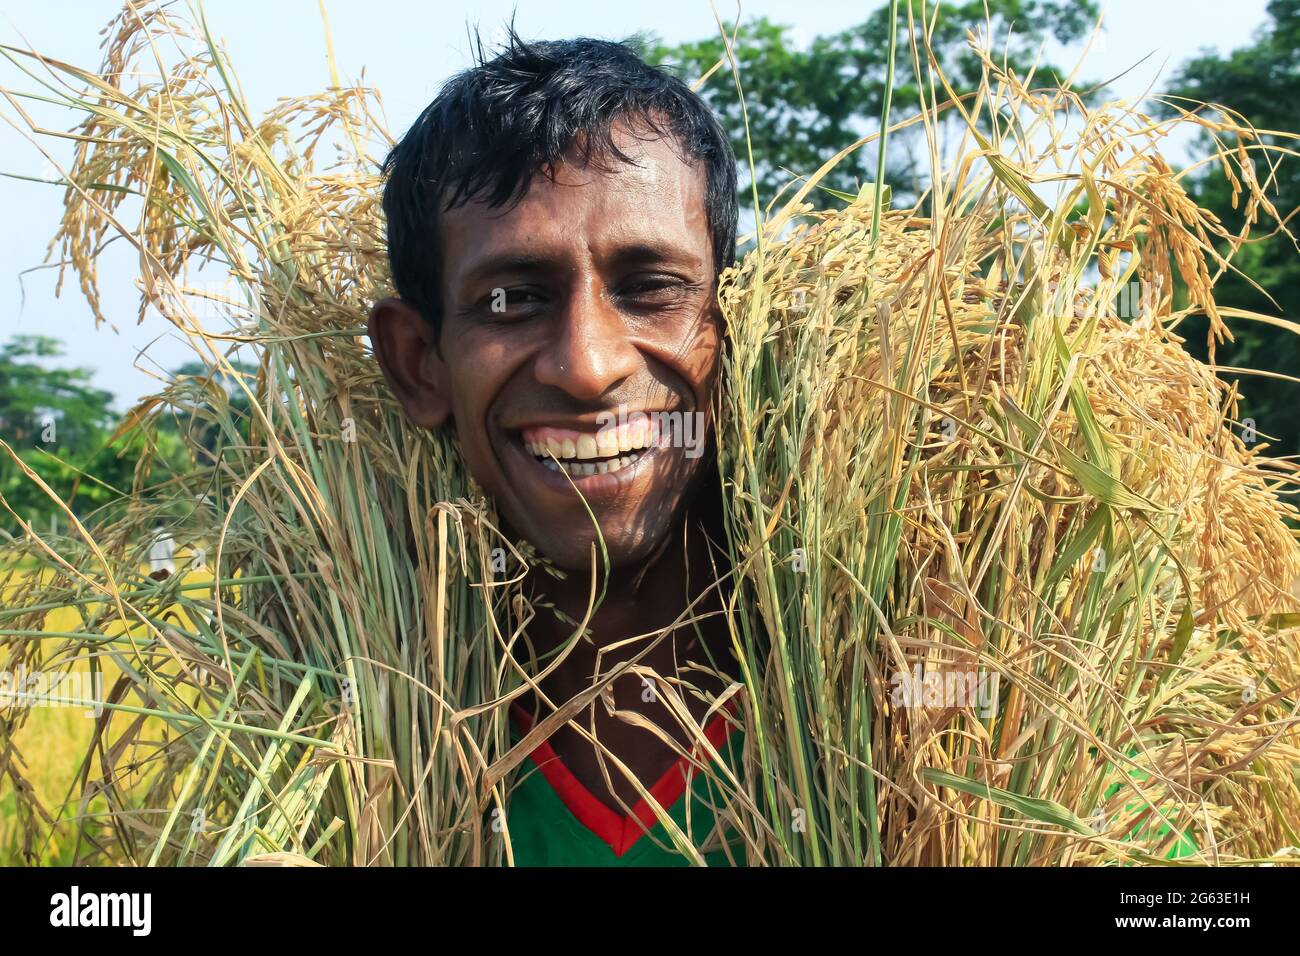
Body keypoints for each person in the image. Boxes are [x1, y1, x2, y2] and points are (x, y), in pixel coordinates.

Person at [368, 31, 745, 865]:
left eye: (651, 289)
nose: (587, 367)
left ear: (736, 327)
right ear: (419, 365)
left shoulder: (913, 727)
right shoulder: (362, 766)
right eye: (513, 300)